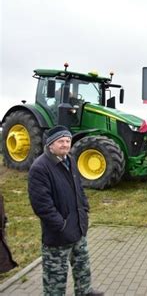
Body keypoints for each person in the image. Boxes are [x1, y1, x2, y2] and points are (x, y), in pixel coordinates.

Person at [28, 125, 103, 296]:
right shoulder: (40, 168)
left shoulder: (70, 160)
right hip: (58, 234)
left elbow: (79, 190)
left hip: (78, 227)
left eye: (68, 141)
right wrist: (60, 225)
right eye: (60, 141)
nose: (65, 144)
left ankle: (85, 292)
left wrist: (84, 210)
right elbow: (42, 205)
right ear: (50, 145)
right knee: (55, 277)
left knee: (82, 266)